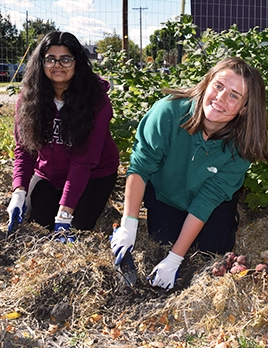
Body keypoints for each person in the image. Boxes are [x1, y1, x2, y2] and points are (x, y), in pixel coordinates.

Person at [111, 57, 267, 290]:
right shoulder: (168, 112)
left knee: (212, 251)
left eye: (234, 95)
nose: (221, 98)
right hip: (167, 193)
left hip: (208, 201)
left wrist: (175, 259)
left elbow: (207, 200)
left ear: (244, 108)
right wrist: (129, 224)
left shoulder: (241, 146)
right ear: (207, 84)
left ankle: (231, 216)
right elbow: (140, 167)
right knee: (162, 241)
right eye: (218, 86)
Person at [7, 31, 119, 240]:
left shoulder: (96, 102)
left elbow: (84, 161)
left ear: (78, 63)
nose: (57, 65)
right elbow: (24, 149)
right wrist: (19, 191)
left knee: (77, 228)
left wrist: (65, 213)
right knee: (39, 225)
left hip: (94, 174)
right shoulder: (29, 99)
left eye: (66, 59)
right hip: (49, 173)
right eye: (50, 59)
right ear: (41, 63)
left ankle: (97, 206)